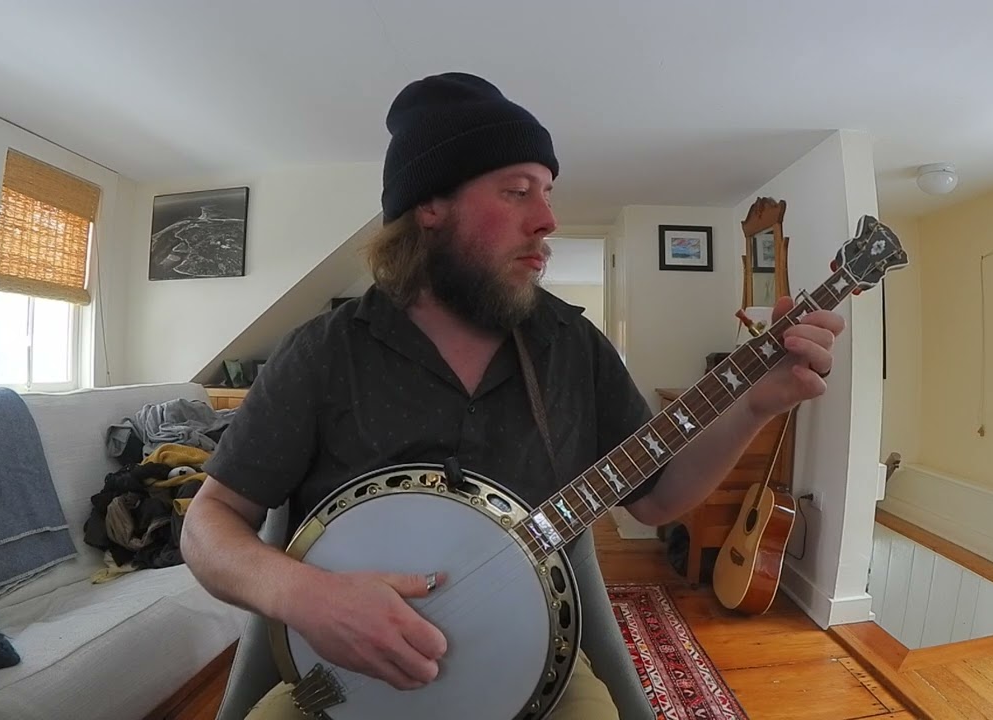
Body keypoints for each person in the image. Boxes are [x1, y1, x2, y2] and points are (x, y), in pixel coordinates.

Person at [181, 71, 844, 719]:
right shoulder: (323, 353)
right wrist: (307, 597)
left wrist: (758, 403)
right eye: (518, 191)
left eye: (548, 192)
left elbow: (661, 496)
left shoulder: (574, 349)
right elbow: (208, 527)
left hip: (539, 683)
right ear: (431, 206)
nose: (549, 219)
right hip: (347, 687)